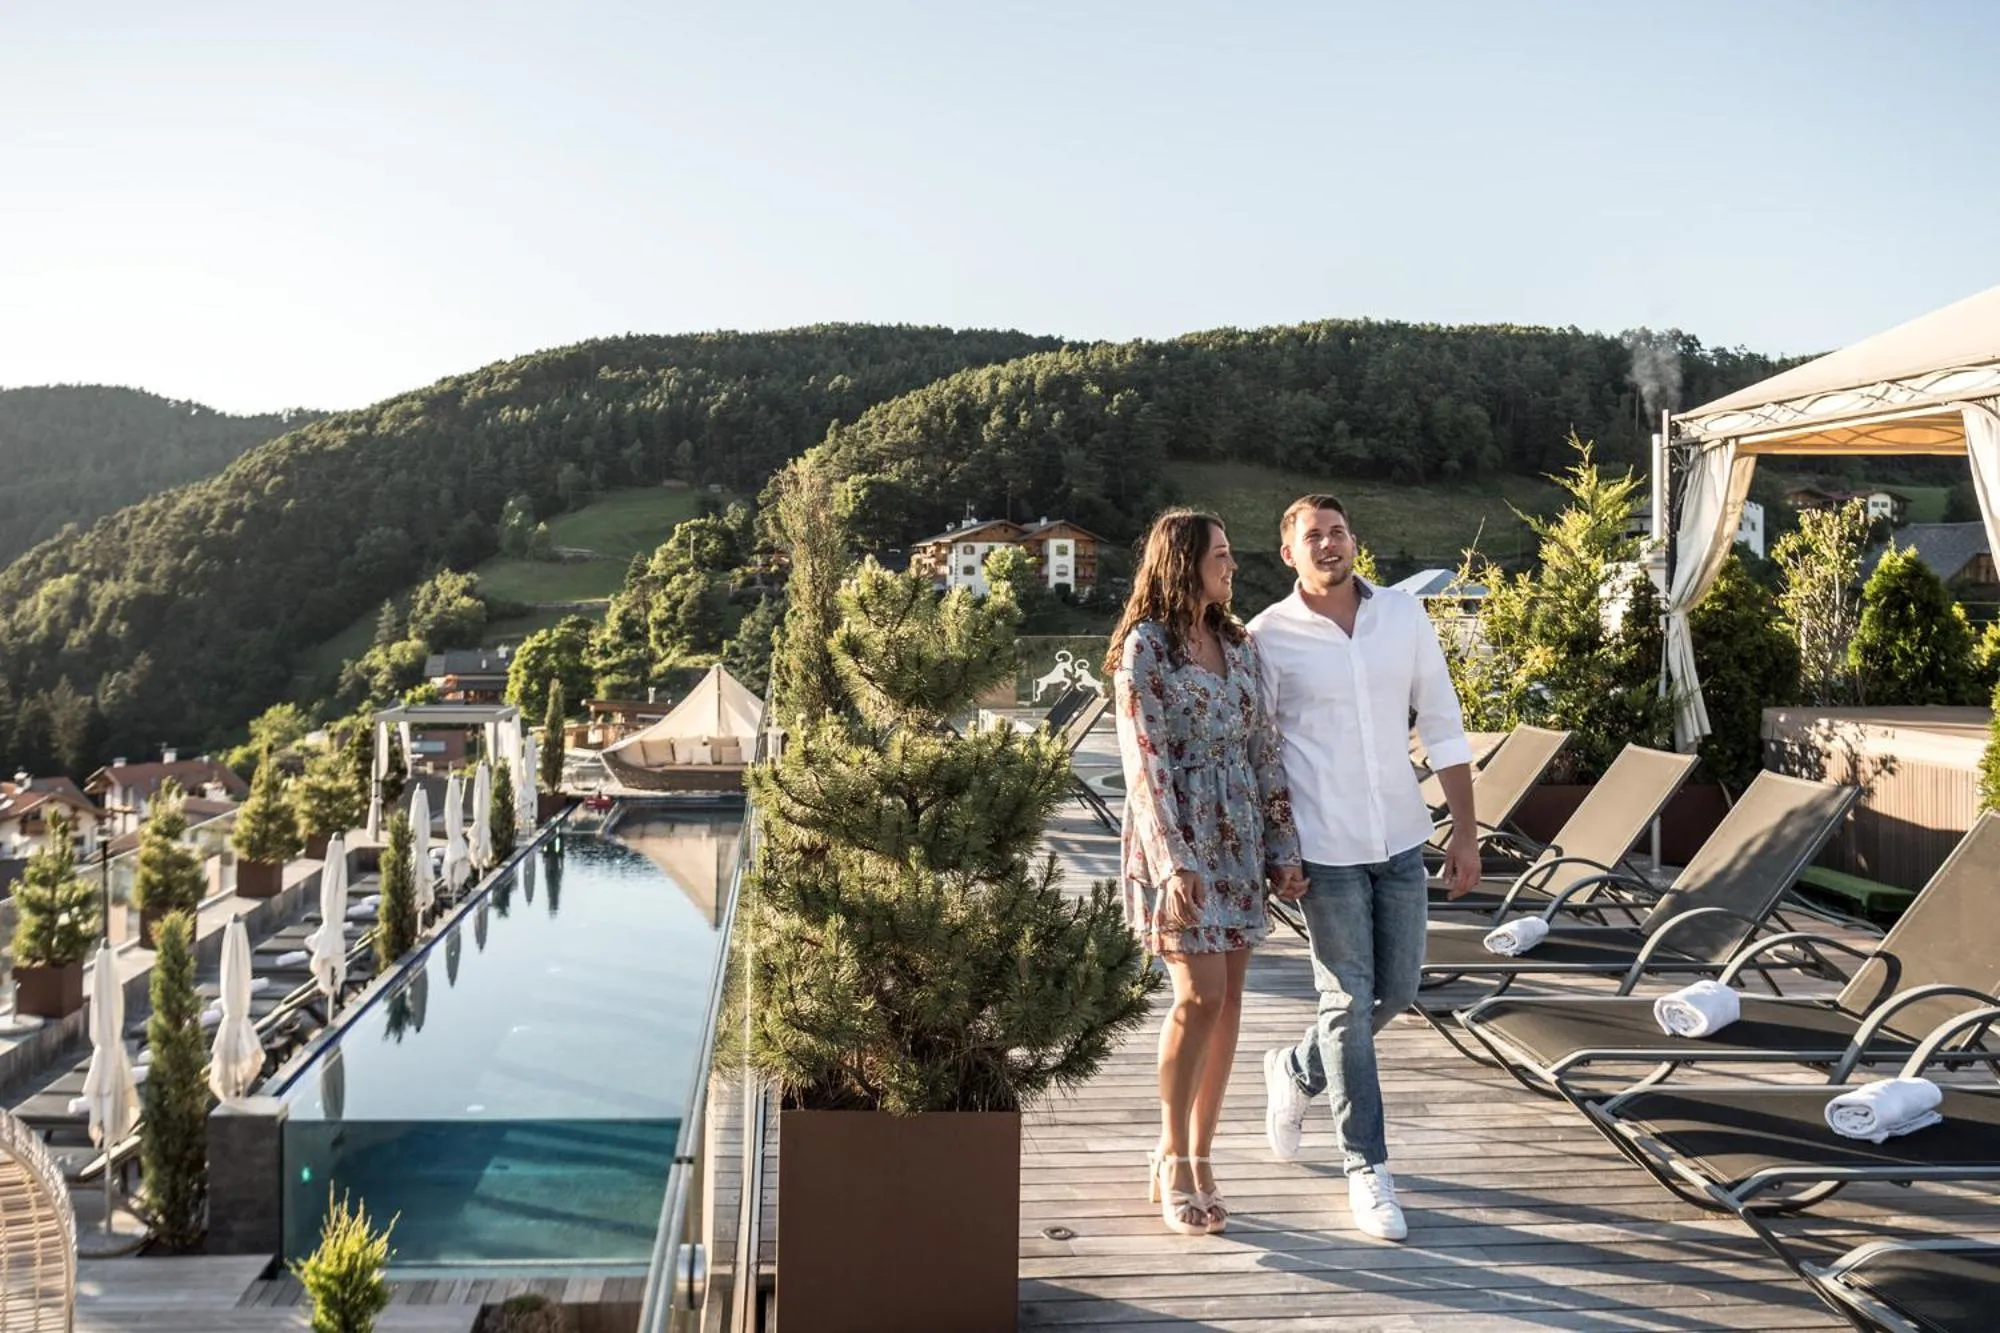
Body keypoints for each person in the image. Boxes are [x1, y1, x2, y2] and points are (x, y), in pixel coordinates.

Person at [1247, 494, 1479, 1241]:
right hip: (1324, 848)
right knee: (1348, 1000)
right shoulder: (1266, 637)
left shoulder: (1404, 617)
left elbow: (1443, 722)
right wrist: (1276, 849)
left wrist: (1467, 834)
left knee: (1399, 990)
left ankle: (1295, 1068)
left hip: (1403, 838)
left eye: (1337, 532)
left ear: (1355, 540)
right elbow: (1262, 757)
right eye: (1311, 536)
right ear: (1289, 553)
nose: (1327, 544)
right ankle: (1366, 1166)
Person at [1106, 508, 1304, 1237]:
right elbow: (1143, 763)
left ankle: (1202, 1153)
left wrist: (1284, 847)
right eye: (1221, 554)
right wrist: (1173, 858)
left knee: (1228, 1003)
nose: (1232, 564)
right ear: (1183, 561)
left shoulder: (1239, 642)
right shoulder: (1146, 648)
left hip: (1241, 839)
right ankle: (1169, 1152)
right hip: (1180, 840)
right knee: (1198, 996)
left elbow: (1265, 749)